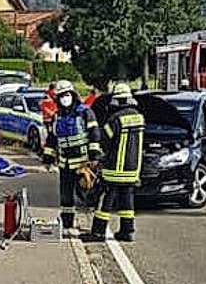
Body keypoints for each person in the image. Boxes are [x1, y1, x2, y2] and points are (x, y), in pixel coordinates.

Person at [42, 79, 102, 236]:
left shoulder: (85, 112)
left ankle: (96, 227)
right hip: (65, 164)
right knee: (66, 196)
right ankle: (67, 223)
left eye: (67, 95)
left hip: (83, 163)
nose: (64, 98)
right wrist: (48, 158)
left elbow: (94, 134)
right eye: (61, 96)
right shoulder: (57, 116)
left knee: (88, 195)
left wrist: (94, 156)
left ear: (73, 95)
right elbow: (52, 139)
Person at [88, 82, 145, 242]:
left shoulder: (115, 120)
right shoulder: (139, 118)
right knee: (127, 203)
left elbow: (105, 142)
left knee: (105, 201)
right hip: (132, 169)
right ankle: (127, 232)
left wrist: (97, 157)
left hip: (114, 170)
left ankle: (98, 232)